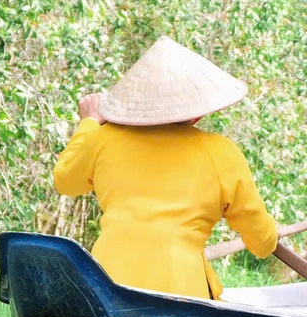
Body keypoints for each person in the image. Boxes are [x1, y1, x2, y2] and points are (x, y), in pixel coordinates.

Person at [53, 35, 278, 300]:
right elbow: (263, 243)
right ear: (198, 113)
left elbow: (66, 182)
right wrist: (270, 234)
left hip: (105, 287)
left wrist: (89, 122)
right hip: (181, 296)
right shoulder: (220, 152)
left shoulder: (102, 138)